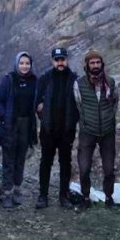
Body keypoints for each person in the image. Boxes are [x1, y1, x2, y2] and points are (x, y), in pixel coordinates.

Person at [72, 50, 117, 211]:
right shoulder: (79, 83)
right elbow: (78, 104)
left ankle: (109, 197)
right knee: (84, 168)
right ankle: (85, 197)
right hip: (87, 131)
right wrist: (85, 123)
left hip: (107, 132)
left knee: (109, 169)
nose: (96, 66)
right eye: (92, 63)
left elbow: (114, 103)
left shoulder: (110, 82)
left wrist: (110, 120)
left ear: (102, 64)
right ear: (87, 65)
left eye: (98, 62)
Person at [35, 47, 78, 209]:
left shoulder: (74, 79)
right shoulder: (45, 78)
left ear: (66, 60)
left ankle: (64, 197)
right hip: (48, 130)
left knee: (65, 164)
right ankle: (42, 196)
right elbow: (37, 102)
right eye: (57, 59)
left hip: (67, 130)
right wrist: (43, 114)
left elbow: (79, 105)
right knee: (45, 163)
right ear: (52, 61)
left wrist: (73, 120)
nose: (60, 62)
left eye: (62, 59)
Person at [0, 52, 39, 209]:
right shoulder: (9, 79)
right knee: (9, 160)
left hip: (27, 124)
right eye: (22, 63)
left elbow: (38, 100)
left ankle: (17, 191)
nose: (25, 66)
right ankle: (6, 193)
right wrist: (4, 117)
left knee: (20, 159)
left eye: (27, 63)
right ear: (16, 64)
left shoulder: (34, 80)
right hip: (11, 124)